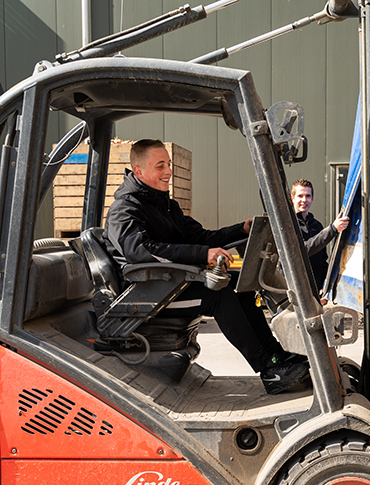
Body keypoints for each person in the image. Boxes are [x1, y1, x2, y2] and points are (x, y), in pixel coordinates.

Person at [103, 139, 308, 394]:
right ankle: (269, 368)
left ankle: (277, 356)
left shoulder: (165, 206)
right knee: (217, 294)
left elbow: (201, 237)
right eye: (160, 166)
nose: (169, 171)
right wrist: (203, 254)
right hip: (147, 296)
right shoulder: (124, 210)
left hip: (170, 285)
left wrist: (240, 230)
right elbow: (141, 253)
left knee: (239, 285)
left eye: (169, 164)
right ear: (139, 171)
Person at [291, 178, 349, 294]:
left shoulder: (316, 226)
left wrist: (324, 287)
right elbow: (302, 251)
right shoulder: (288, 225)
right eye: (300, 196)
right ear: (292, 198)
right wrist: (332, 230)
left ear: (312, 199)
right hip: (294, 291)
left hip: (315, 292)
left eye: (308, 196)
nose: (304, 200)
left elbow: (322, 260)